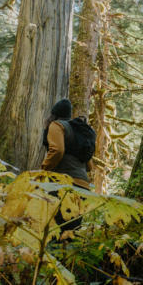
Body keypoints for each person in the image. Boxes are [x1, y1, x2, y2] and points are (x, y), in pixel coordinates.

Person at [40, 98, 94, 231]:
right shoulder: (79, 131)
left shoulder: (57, 125)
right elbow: (89, 166)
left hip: (63, 185)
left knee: (55, 231)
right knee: (71, 233)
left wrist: (44, 169)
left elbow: (57, 150)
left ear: (53, 114)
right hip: (83, 187)